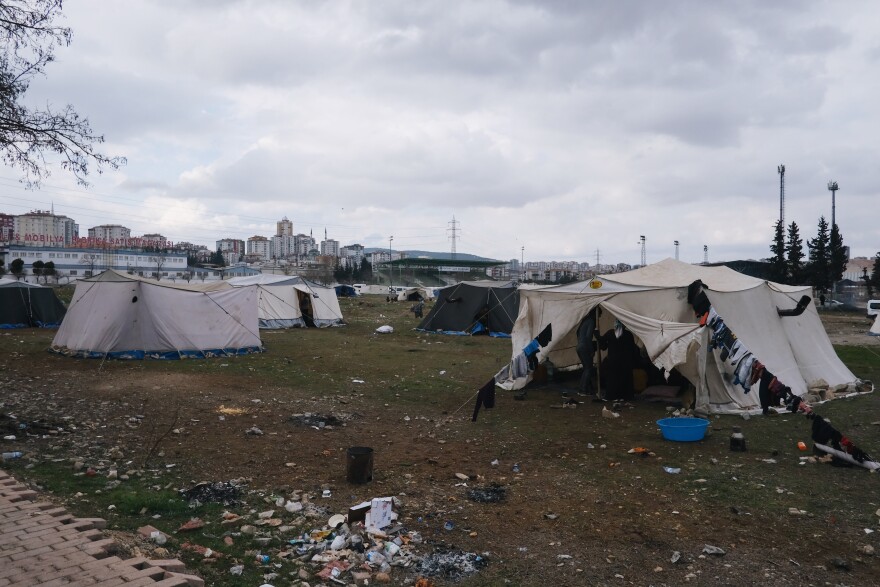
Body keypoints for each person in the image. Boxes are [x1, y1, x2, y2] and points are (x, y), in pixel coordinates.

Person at [596, 319, 640, 403]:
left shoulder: (611, 333)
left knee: (613, 380)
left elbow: (603, 347)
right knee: (624, 379)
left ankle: (612, 396)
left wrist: (598, 337)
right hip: (625, 362)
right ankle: (625, 396)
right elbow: (633, 349)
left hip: (614, 361)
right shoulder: (628, 334)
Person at [575, 312, 596, 396]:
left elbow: (577, 332)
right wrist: (591, 350)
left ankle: (584, 389)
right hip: (585, 347)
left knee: (586, 368)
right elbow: (588, 337)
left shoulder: (584, 321)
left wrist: (580, 341)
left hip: (579, 346)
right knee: (588, 368)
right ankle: (583, 390)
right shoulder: (591, 321)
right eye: (599, 315)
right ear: (595, 314)